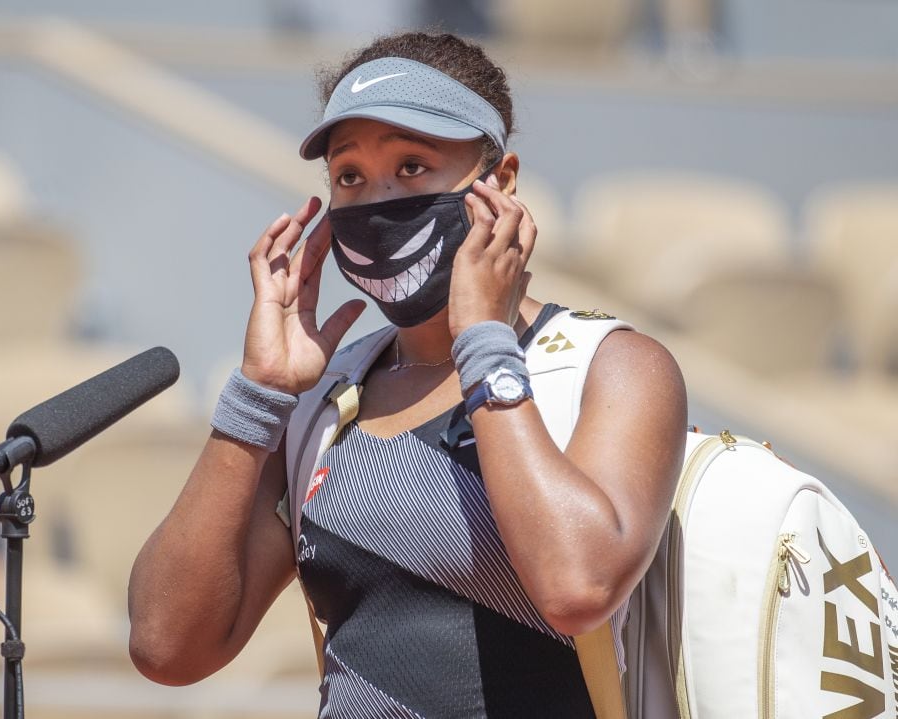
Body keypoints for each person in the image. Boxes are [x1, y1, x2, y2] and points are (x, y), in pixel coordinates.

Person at [128, 31, 687, 717]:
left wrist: (483, 342)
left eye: (414, 166)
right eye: (350, 177)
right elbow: (167, 645)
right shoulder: (323, 405)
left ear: (500, 182)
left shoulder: (609, 365)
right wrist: (258, 396)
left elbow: (578, 585)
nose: (377, 202)